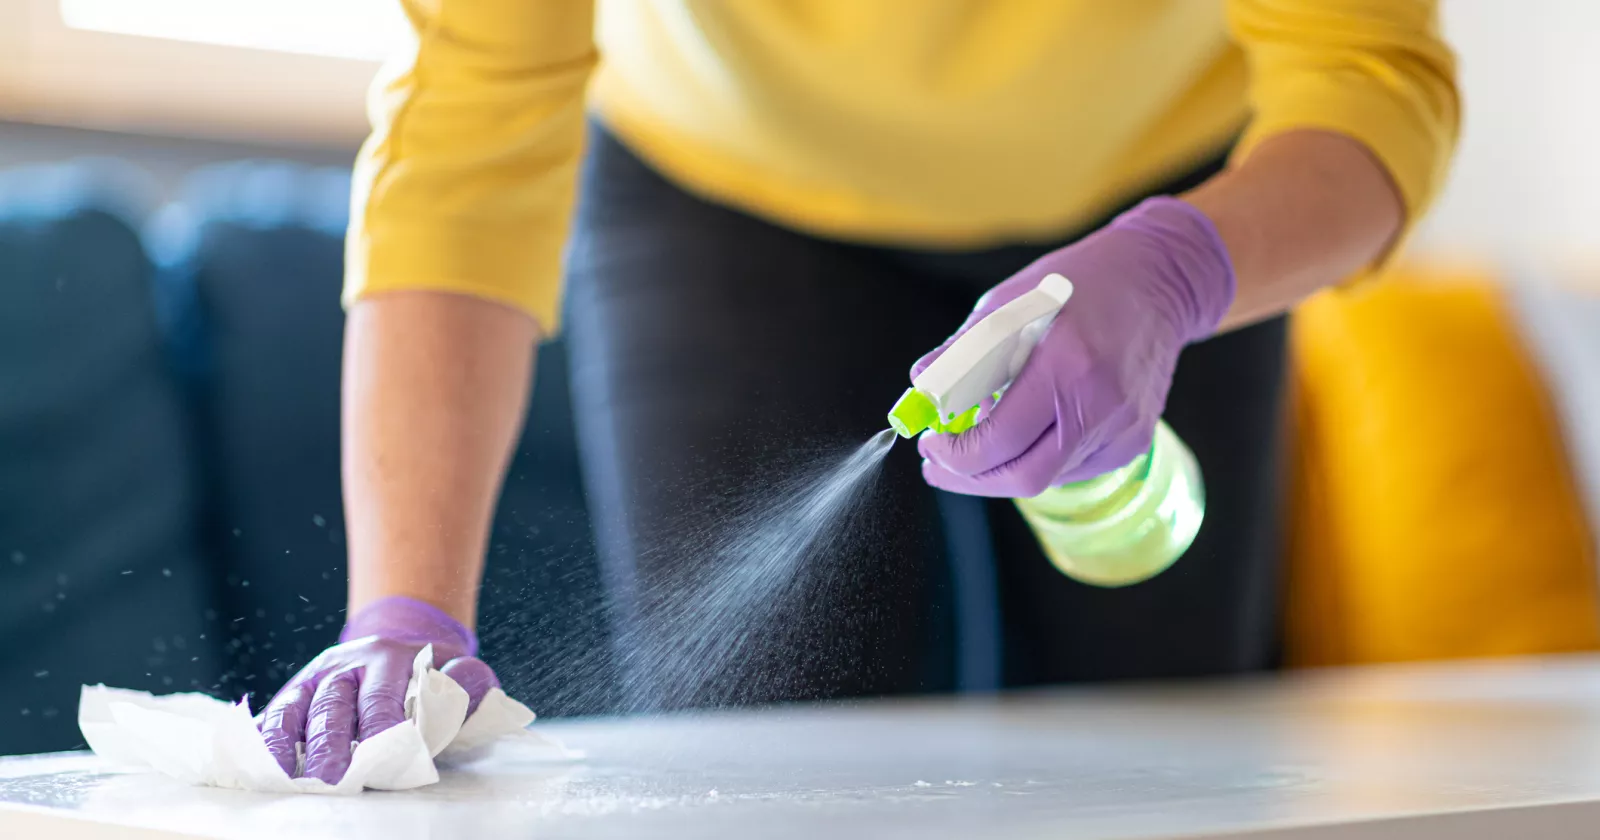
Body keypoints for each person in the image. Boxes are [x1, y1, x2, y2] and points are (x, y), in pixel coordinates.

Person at [258, 1, 1459, 783]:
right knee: (760, 774)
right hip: (721, 189)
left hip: (1168, 189)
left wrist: (1183, 269)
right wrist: (402, 611)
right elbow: (463, 145)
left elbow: (1371, 79)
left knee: (1164, 762)